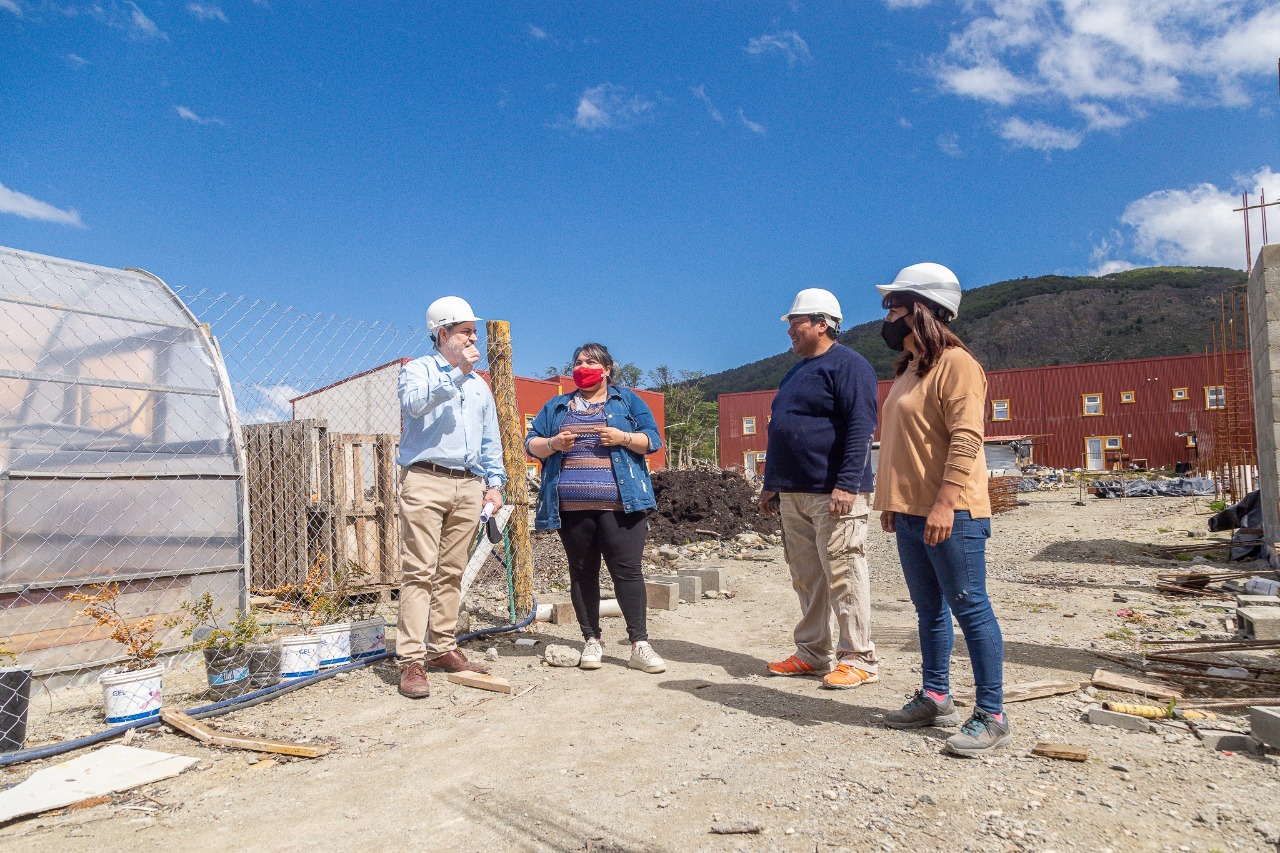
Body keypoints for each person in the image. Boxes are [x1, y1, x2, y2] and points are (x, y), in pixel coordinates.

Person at [873, 263, 1009, 756]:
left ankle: (992, 714)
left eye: (894, 305)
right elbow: (900, 443)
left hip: (952, 512)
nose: (886, 315)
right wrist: (891, 501)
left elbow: (967, 437)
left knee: (970, 606)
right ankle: (935, 696)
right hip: (910, 512)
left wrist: (945, 502)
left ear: (923, 309)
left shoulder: (958, 364)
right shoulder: (910, 368)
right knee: (928, 608)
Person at [758, 288, 881, 690]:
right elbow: (782, 429)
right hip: (794, 492)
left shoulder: (849, 365)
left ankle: (858, 657)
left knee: (844, 572)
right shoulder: (795, 371)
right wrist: (771, 485)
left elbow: (861, 427)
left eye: (796, 323)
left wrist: (847, 483)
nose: (790, 331)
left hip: (833, 493)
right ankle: (813, 653)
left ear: (822, 323)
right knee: (807, 576)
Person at [525, 343, 666, 673]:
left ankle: (639, 644)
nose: (583, 366)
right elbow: (530, 442)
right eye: (578, 362)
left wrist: (622, 437)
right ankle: (592, 640)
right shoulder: (558, 406)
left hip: (622, 505)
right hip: (571, 508)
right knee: (582, 573)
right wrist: (553, 444)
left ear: (607, 369)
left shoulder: (626, 400)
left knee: (627, 571)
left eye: (590, 361)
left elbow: (653, 439)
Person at [394, 296, 506, 699]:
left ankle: (443, 648)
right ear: (443, 334)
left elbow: (490, 439)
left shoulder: (479, 386)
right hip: (425, 479)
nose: (475, 337)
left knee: (451, 572)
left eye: (474, 331)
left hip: (469, 484)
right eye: (466, 331)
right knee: (419, 571)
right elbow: (414, 406)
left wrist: (495, 484)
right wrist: (458, 372)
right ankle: (411, 660)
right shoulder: (418, 371)